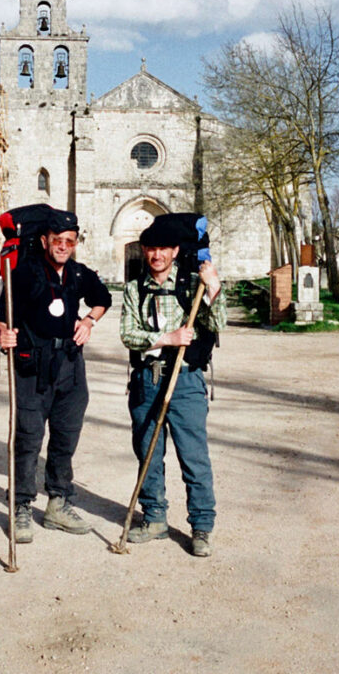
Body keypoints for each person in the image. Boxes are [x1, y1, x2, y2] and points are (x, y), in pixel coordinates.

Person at [0, 210, 112, 543]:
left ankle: (58, 505)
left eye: (69, 241)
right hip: (32, 368)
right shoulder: (24, 273)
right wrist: (3, 335)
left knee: (65, 438)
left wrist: (88, 321)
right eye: (57, 240)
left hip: (71, 367)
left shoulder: (78, 274)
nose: (63, 246)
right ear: (45, 241)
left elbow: (104, 299)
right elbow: (1, 318)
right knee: (28, 438)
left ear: (75, 244)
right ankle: (20, 507)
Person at [120, 221, 226, 557]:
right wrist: (166, 339)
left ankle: (202, 527)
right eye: (150, 249)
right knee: (148, 453)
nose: (156, 255)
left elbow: (218, 324)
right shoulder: (134, 289)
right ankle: (154, 519)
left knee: (193, 456)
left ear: (175, 251)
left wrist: (213, 290)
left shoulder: (193, 283)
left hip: (186, 380)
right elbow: (128, 333)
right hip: (147, 379)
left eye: (163, 248)